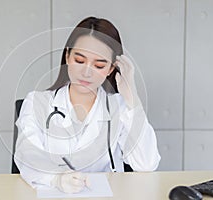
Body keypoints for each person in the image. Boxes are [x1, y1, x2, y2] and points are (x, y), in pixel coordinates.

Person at [14, 16, 160, 193]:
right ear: (67, 56)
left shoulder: (120, 106)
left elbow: (146, 164)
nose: (86, 72)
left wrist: (132, 99)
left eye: (99, 65)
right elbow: (27, 154)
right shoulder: (37, 102)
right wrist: (56, 178)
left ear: (111, 69)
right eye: (80, 61)